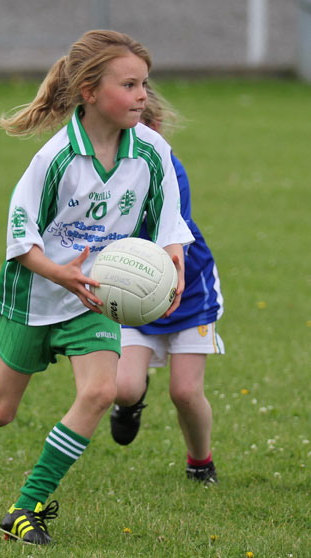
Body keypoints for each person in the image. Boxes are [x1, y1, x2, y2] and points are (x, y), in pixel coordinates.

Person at [0, 30, 194, 544]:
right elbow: (19, 238)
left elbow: (167, 223)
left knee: (99, 391)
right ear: (89, 91)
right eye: (129, 84)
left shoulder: (152, 152)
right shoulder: (54, 159)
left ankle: (24, 508)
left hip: (96, 297)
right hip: (34, 294)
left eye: (145, 83)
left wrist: (173, 263)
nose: (143, 95)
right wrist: (60, 274)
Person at [110, 86, 224, 485]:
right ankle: (129, 405)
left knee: (185, 393)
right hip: (129, 286)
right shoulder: (102, 171)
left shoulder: (169, 169)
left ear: (155, 129)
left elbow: (170, 230)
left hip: (187, 288)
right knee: (123, 387)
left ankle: (200, 460)